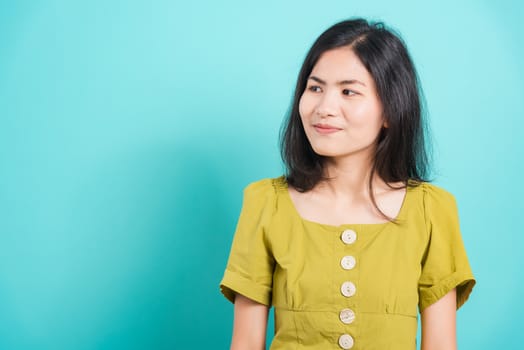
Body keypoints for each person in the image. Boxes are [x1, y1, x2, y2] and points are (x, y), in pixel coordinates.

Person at [219, 18, 475, 350]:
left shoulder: (432, 211)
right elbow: (245, 344)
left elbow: (441, 344)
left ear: (389, 111)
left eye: (348, 91)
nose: (324, 108)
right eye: (315, 88)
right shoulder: (265, 203)